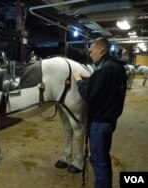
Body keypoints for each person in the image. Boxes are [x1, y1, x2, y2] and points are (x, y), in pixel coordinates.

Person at [73, 37, 127, 188]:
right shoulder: (116, 67)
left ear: (100, 50)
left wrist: (79, 81)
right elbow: (107, 85)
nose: (89, 54)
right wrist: (93, 78)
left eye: (91, 51)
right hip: (109, 120)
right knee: (103, 157)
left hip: (100, 122)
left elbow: (89, 96)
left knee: (98, 160)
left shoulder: (104, 70)